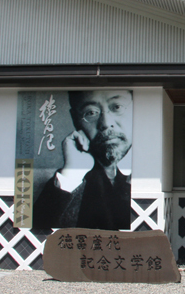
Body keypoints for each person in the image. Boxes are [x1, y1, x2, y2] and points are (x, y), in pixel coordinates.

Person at [33, 90, 133, 230]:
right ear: (75, 119)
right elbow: (35, 232)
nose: (105, 123)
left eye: (117, 107)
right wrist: (72, 173)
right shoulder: (75, 177)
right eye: (91, 112)